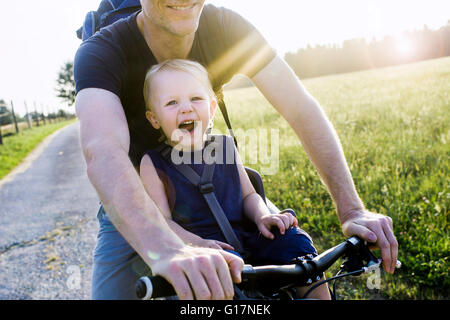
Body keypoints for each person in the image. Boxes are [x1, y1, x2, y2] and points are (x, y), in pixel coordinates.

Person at [74, 0, 398, 300]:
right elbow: (103, 150)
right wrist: (166, 248)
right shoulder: (102, 51)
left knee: (299, 255)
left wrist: (352, 210)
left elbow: (300, 109)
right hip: (138, 202)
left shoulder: (226, 28)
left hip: (221, 183)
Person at [139, 59, 330, 299]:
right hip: (203, 254)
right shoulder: (153, 164)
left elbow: (249, 195)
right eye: (171, 102)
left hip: (247, 241)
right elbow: (162, 222)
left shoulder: (225, 146)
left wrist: (263, 215)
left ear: (211, 108)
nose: (186, 108)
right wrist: (196, 244)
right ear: (154, 119)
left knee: (295, 243)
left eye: (195, 99)